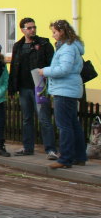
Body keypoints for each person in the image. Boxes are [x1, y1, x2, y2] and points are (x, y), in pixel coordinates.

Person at [39, 20, 86, 169]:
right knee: (73, 124)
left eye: (54, 32)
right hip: (68, 89)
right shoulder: (70, 46)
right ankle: (79, 156)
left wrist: (45, 71)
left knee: (64, 125)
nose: (53, 35)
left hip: (64, 90)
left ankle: (65, 159)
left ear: (62, 32)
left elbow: (64, 69)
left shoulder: (67, 48)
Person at [8, 17, 57, 159]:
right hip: (24, 88)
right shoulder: (18, 46)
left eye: (34, 27)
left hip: (40, 87)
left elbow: (52, 65)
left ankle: (51, 150)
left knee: (44, 119)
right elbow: (14, 67)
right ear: (22, 30)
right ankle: (28, 147)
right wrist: (12, 88)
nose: (32, 30)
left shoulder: (44, 44)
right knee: (27, 119)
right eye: (29, 28)